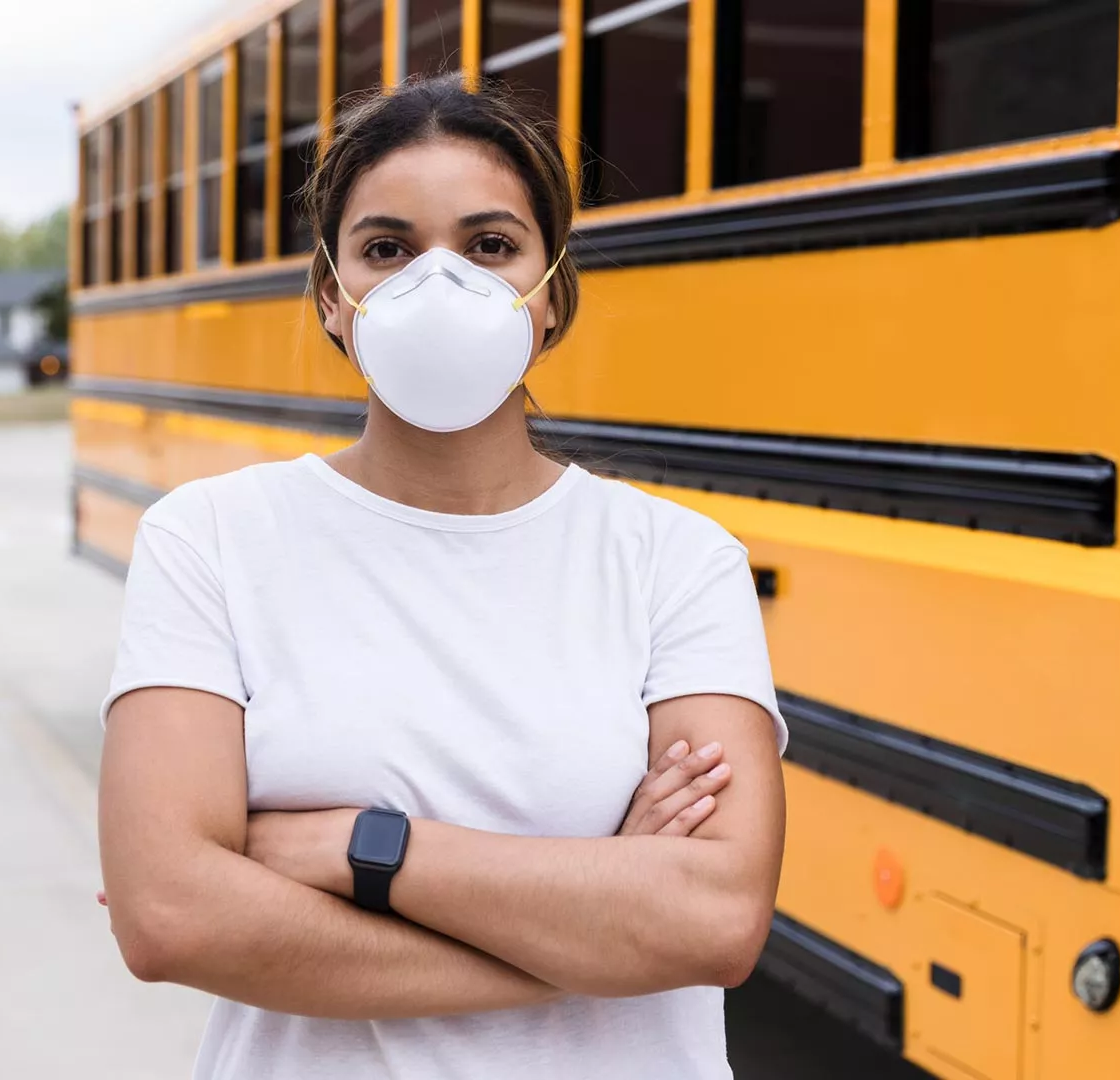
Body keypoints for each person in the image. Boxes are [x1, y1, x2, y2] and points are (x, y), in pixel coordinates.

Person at [97, 73, 786, 1079]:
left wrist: (358, 850)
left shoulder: (673, 561)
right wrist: (591, 934)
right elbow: (170, 919)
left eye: (490, 245)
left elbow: (714, 921)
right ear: (333, 296)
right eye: (387, 249)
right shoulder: (210, 540)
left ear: (549, 294)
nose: (439, 282)